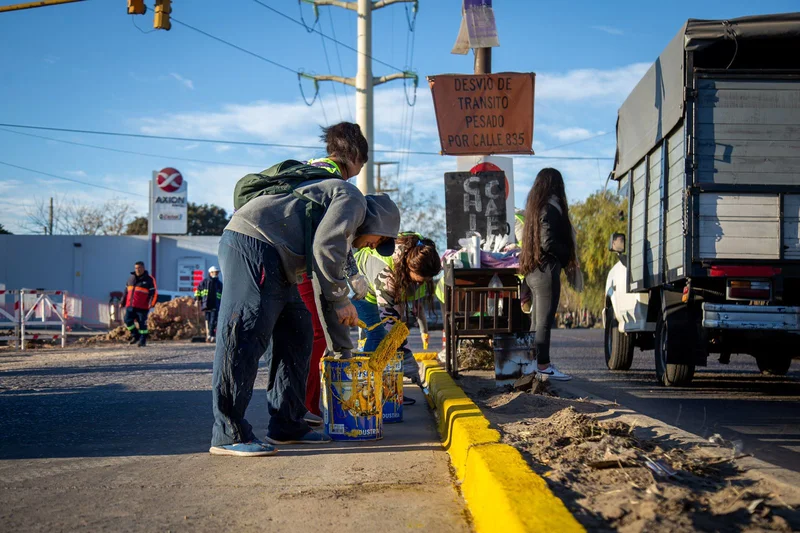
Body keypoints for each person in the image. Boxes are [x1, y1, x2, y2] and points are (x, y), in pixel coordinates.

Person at [210, 127, 401, 457]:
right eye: (378, 242)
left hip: (277, 257)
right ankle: (228, 433)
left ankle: (287, 425)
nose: (372, 247)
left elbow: (326, 291)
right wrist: (342, 298)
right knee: (245, 333)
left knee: (298, 333)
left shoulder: (337, 205)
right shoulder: (352, 198)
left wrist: (343, 350)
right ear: (378, 226)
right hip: (253, 243)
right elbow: (326, 250)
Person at [295, 124, 375, 426]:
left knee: (298, 336)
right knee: (314, 335)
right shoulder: (333, 181)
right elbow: (330, 239)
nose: (357, 172)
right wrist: (349, 279)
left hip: (281, 257)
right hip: (302, 265)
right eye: (361, 165)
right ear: (353, 156)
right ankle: (307, 409)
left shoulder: (309, 170)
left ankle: (295, 411)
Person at [352, 233, 442, 393]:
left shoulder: (420, 250)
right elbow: (389, 322)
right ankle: (369, 390)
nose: (420, 285)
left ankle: (388, 390)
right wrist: (407, 358)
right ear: (409, 268)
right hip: (361, 288)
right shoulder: (386, 275)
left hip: (385, 286)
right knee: (377, 335)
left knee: (390, 342)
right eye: (418, 281)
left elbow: (403, 315)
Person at [518, 168, 578, 381]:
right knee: (543, 321)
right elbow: (548, 242)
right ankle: (543, 366)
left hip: (534, 269)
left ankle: (532, 364)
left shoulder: (535, 208)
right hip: (546, 270)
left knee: (536, 323)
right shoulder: (550, 207)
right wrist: (565, 256)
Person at [122, 261, 157, 348]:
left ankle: (142, 341)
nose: (137, 270)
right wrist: (122, 302)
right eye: (136, 268)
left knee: (142, 324)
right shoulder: (131, 278)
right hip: (130, 305)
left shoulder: (149, 279)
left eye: (139, 268)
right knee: (127, 320)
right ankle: (135, 335)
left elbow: (154, 293)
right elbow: (126, 292)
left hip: (142, 307)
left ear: (143, 268)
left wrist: (151, 304)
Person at [194, 266, 223, 343]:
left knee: (213, 320)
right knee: (208, 320)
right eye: (215, 272)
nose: (216, 274)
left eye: (217, 273)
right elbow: (198, 291)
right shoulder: (204, 282)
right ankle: (209, 335)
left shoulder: (219, 284)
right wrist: (197, 299)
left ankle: (211, 335)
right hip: (206, 305)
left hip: (215, 305)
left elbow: (222, 295)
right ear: (210, 273)